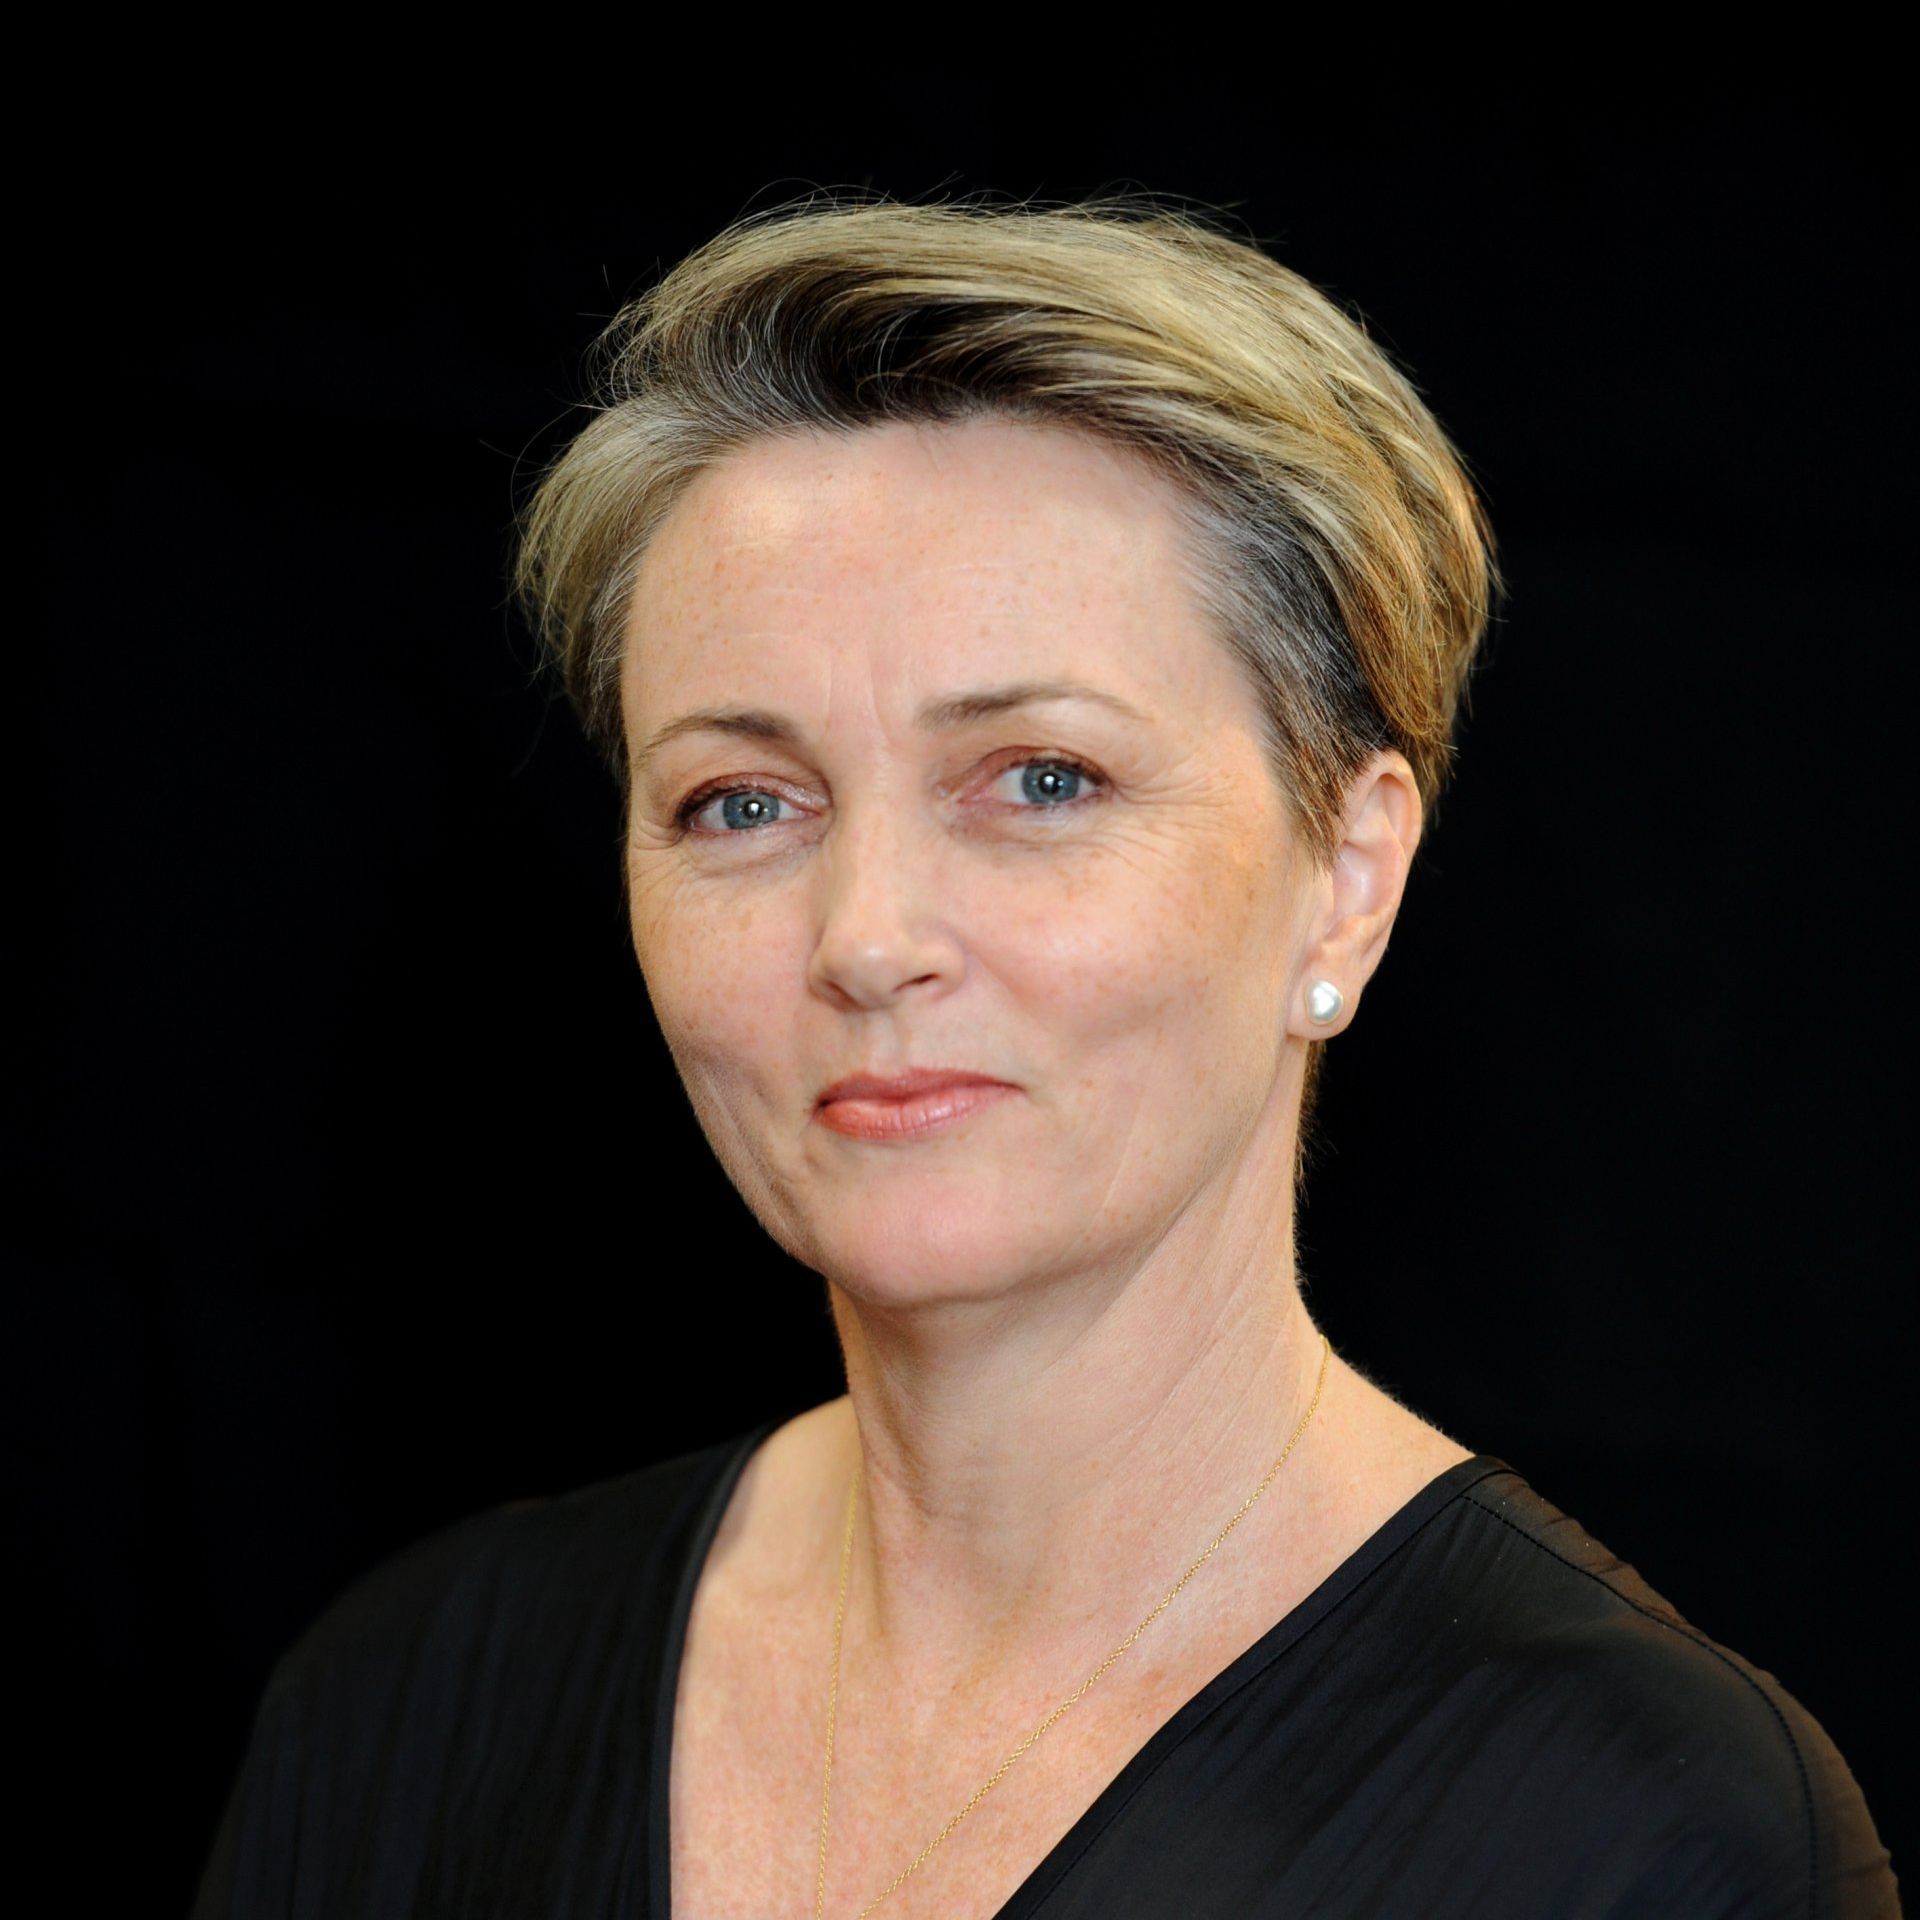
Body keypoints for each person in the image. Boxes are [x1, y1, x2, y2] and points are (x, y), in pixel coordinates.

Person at [190, 193, 1900, 1919]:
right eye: (745, 803)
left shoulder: (1656, 1838)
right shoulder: (411, 1703)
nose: (866, 936)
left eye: (1041, 779)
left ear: (1347, 879)